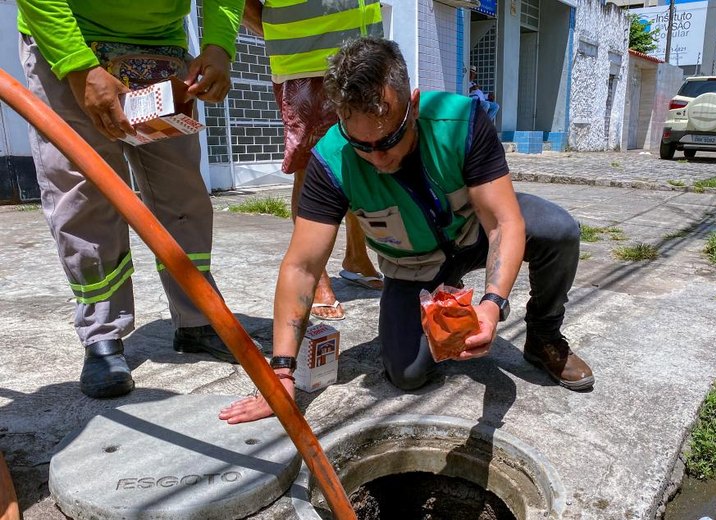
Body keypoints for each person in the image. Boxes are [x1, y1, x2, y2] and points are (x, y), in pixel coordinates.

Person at [219, 37, 593, 425]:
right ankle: (444, 306)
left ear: (412, 105)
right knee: (407, 375)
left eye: (390, 139)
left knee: (557, 230)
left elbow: (502, 223)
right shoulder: (331, 162)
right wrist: (281, 372)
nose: (378, 158)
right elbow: (302, 268)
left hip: (476, 232)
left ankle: (544, 338)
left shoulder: (461, 120)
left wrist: (492, 304)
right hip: (414, 265)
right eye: (361, 144)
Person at [17, 1, 253, 399]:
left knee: (181, 194)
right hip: (69, 40)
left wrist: (218, 45)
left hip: (160, 49)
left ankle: (198, 317)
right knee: (84, 195)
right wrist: (77, 65)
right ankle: (102, 334)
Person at [240, 0, 385, 321]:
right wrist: (283, 35)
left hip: (365, 57)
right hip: (306, 62)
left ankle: (357, 258)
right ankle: (315, 276)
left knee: (361, 161)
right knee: (313, 168)